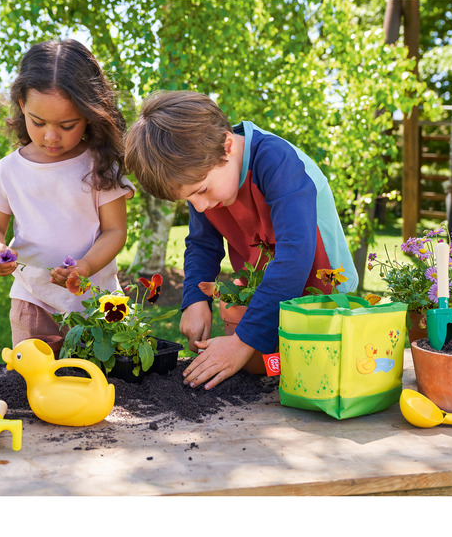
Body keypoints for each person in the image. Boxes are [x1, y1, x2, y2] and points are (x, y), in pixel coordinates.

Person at [124, 90, 357, 390]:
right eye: (188, 199)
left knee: (319, 383)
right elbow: (202, 245)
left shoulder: (277, 162)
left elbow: (294, 257)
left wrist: (241, 342)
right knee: (273, 382)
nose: (198, 207)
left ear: (228, 146)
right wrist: (195, 299)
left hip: (324, 294)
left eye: (202, 190)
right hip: (269, 296)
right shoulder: (205, 177)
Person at [0, 39, 134, 345]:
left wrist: (85, 267)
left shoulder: (98, 166)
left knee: (97, 380)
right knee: (36, 380)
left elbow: (115, 231)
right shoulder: (10, 170)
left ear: (89, 113)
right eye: (38, 122)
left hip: (96, 302)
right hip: (32, 300)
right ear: (22, 105)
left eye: (67, 125)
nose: (51, 136)